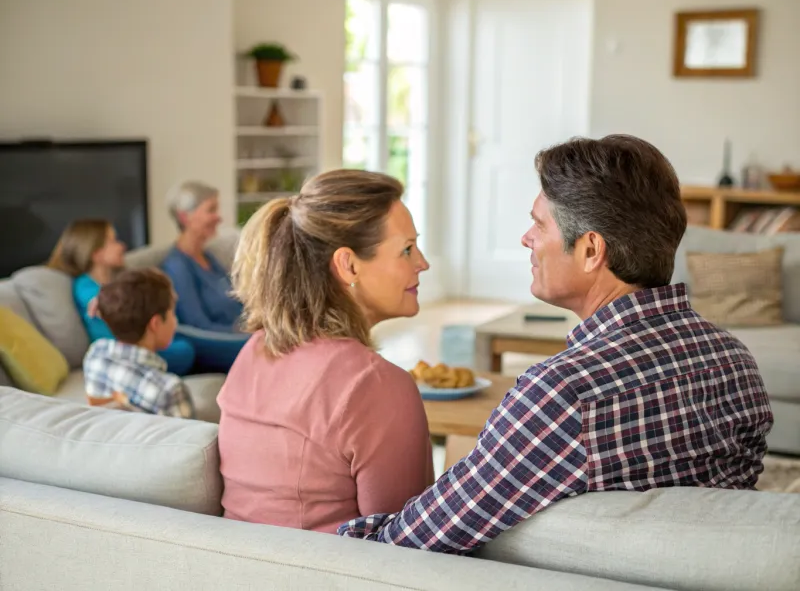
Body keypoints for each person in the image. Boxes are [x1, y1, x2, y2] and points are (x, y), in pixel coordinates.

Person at [339, 135, 773, 553]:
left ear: (590, 251)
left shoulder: (565, 395)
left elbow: (414, 541)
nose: (526, 238)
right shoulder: (735, 362)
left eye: (538, 223)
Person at [217, 170, 434, 534]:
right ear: (348, 265)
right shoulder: (377, 384)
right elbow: (406, 545)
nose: (422, 263)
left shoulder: (255, 349)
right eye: (407, 250)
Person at [48, 219, 196, 376]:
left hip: (155, 338)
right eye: (114, 241)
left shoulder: (115, 279)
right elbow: (95, 302)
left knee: (188, 339)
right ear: (97, 254)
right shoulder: (85, 286)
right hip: (131, 355)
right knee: (187, 349)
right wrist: (101, 301)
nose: (122, 246)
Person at [83, 268, 195, 418]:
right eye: (172, 313)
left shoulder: (95, 354)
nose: (175, 322)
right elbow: (191, 441)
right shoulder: (170, 390)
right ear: (155, 324)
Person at [161, 181, 248, 372]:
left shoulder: (208, 257)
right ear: (185, 217)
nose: (218, 217)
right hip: (215, 345)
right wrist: (246, 335)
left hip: (239, 335)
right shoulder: (178, 266)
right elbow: (198, 326)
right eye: (211, 210)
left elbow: (236, 299)